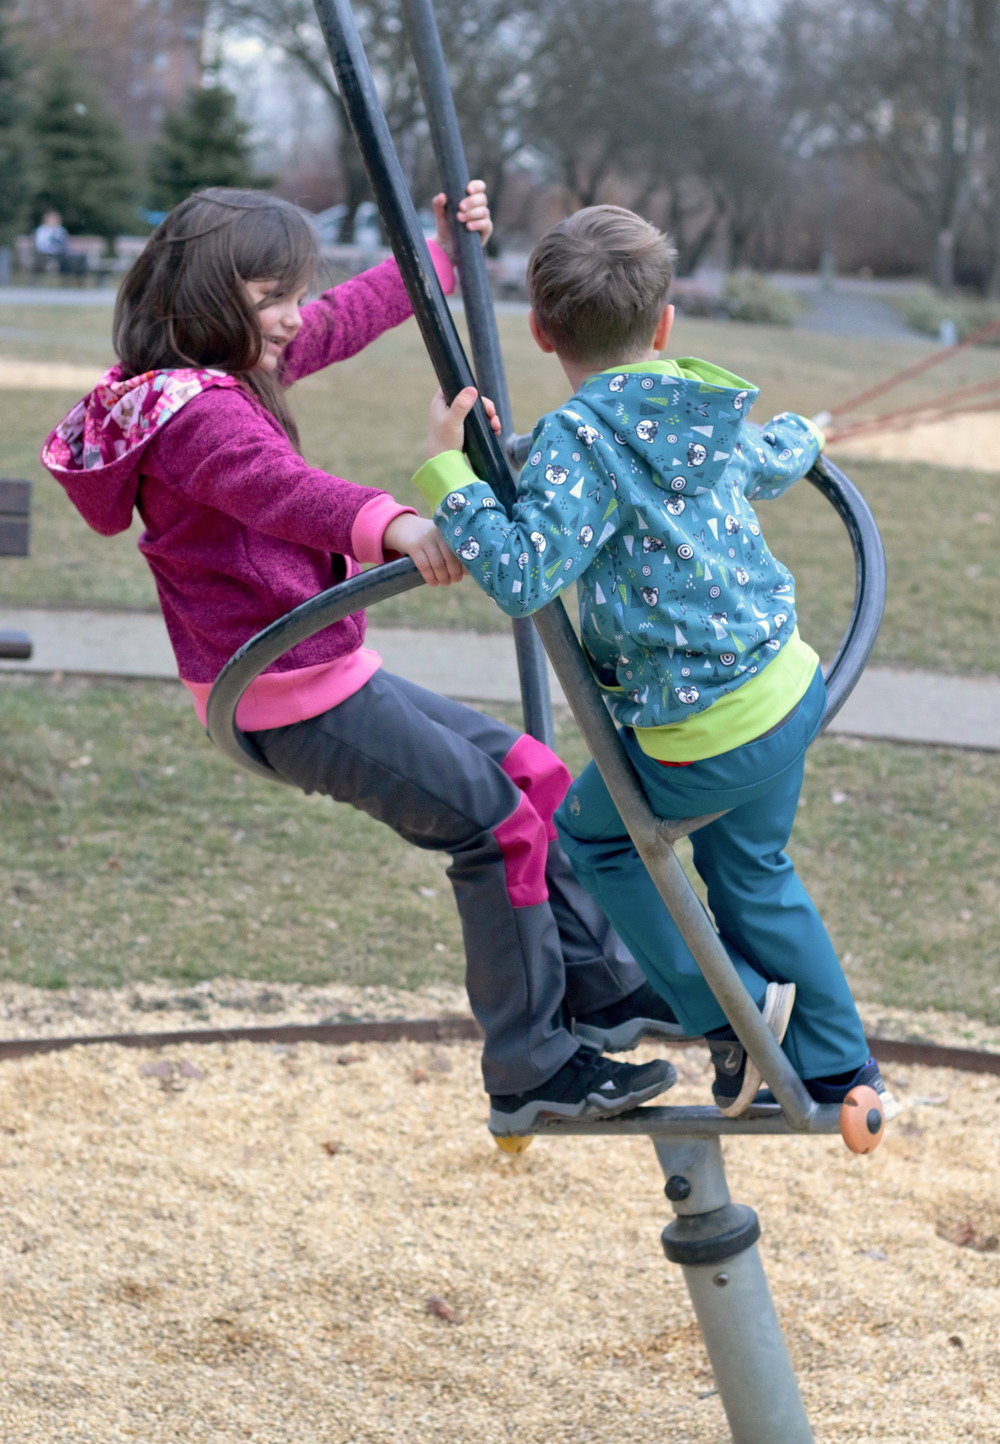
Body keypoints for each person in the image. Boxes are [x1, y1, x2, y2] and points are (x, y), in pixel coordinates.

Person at [40, 185, 679, 1138]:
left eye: (293, 293)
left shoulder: (220, 366)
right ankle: (532, 1066)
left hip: (319, 669)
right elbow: (280, 491)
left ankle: (602, 994)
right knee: (493, 825)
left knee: (532, 776)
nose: (296, 317)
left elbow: (348, 317)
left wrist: (440, 257)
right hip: (281, 690)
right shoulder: (193, 417)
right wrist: (395, 522)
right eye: (272, 298)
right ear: (208, 297)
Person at [418, 204, 898, 1120]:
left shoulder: (579, 441)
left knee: (592, 836)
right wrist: (805, 438)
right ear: (665, 322)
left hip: (699, 734)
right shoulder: (698, 402)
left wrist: (450, 478)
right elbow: (762, 462)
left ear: (540, 331)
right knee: (754, 870)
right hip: (789, 691)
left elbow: (523, 574)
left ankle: (733, 1016)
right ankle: (844, 1075)